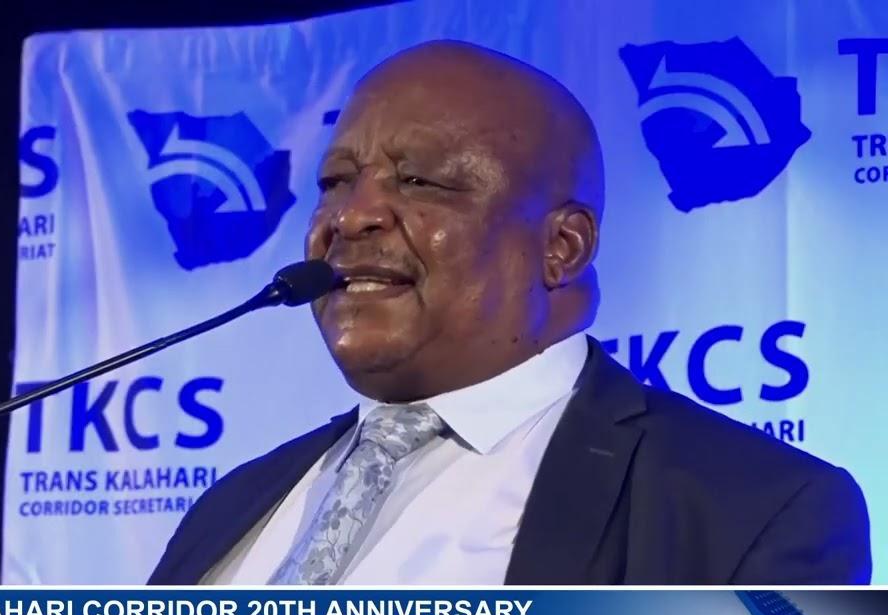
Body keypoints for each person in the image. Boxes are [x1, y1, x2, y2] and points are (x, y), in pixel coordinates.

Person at [149, 40, 871, 586]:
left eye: (419, 181)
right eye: (335, 181)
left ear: (562, 247)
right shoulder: (233, 507)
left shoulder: (749, 511)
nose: (351, 215)